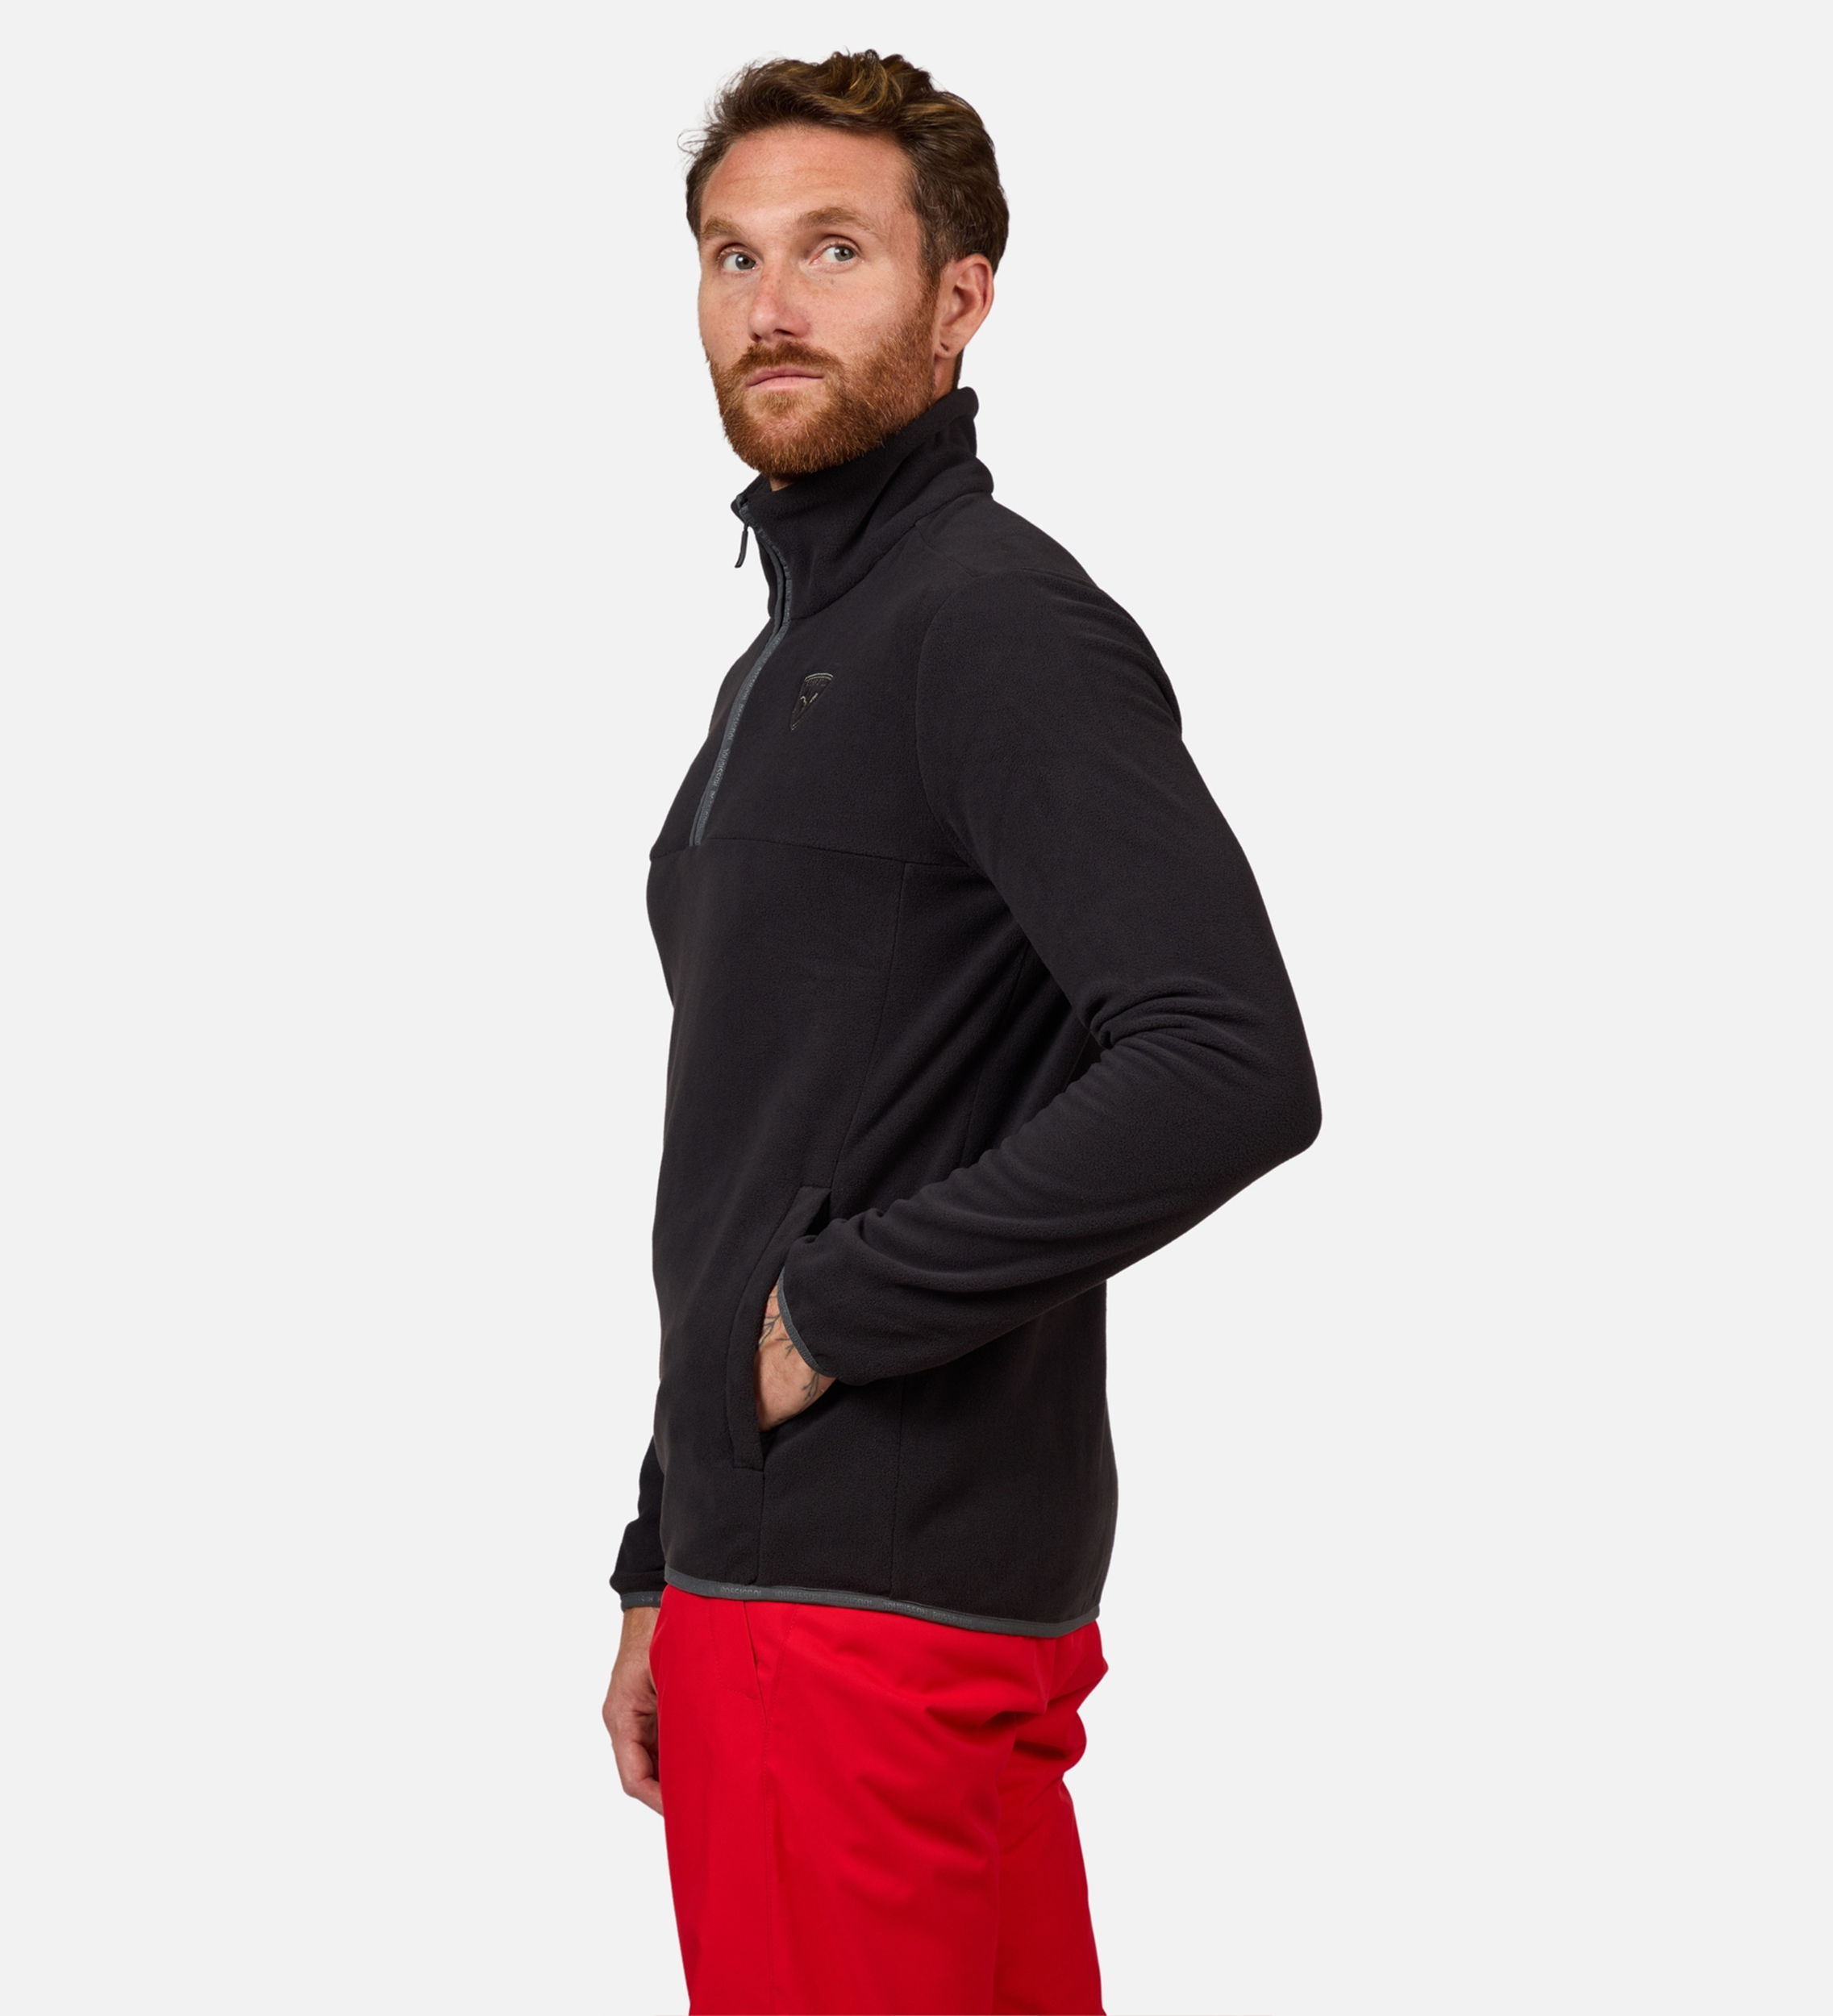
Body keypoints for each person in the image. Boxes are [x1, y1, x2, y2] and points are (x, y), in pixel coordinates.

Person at [600, 49, 1320, 2015]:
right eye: (732, 254)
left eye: (834, 249)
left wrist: (820, 1321)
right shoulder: (790, 659)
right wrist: (664, 1541)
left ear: (960, 295)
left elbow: (1224, 1059)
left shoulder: (984, 623)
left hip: (857, 1604)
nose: (771, 302)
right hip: (800, 1581)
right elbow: (760, 1130)